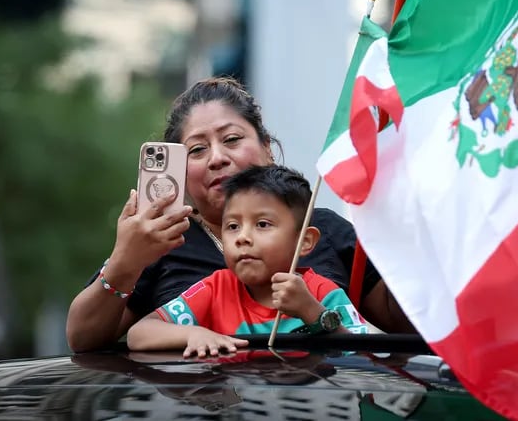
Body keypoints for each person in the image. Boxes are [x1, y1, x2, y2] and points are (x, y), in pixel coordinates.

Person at [66, 76, 414, 352]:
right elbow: (83, 341)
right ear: (184, 172)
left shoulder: (320, 225)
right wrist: (126, 261)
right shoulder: (160, 241)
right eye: (198, 149)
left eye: (231, 139)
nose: (217, 157)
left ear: (266, 147)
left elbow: (409, 325)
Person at [127, 165, 368, 355]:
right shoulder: (216, 289)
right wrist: (192, 334)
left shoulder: (321, 292)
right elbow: (139, 334)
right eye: (232, 226)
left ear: (305, 241)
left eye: (262, 224)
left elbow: (365, 355)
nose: (242, 237)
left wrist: (312, 312)